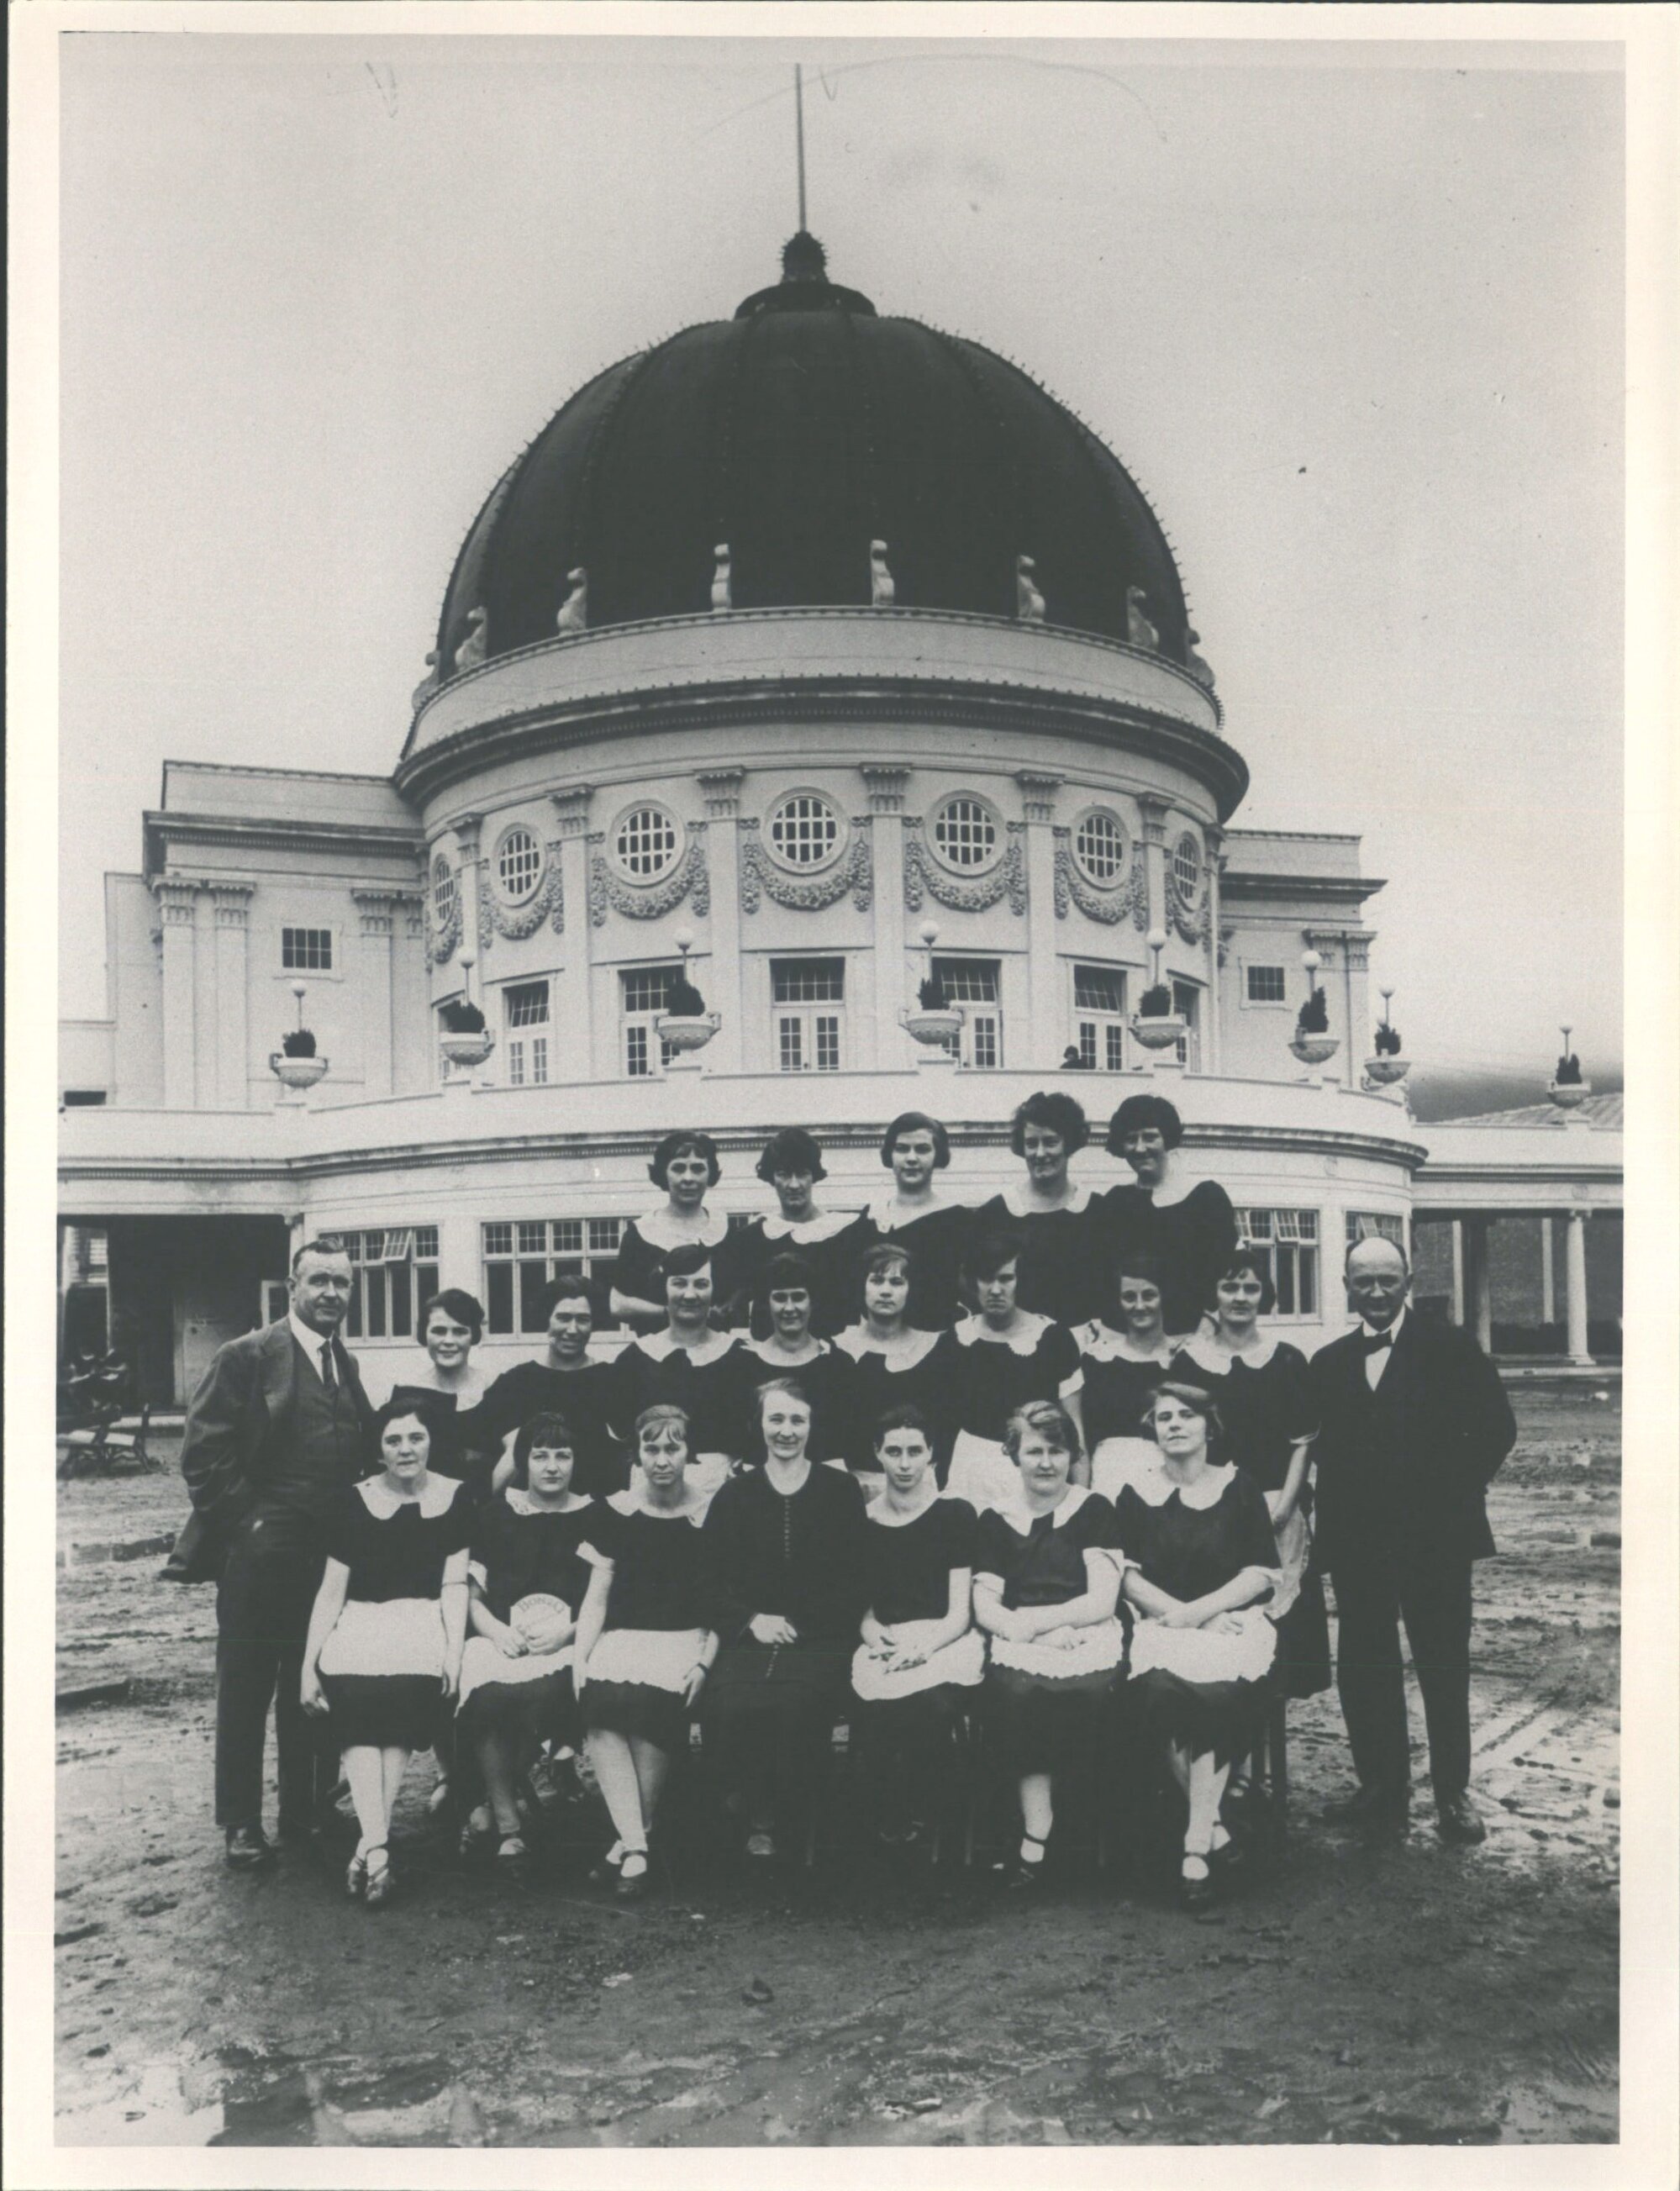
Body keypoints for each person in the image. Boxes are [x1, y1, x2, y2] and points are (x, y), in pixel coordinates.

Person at [1309, 1236, 1516, 1845]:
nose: (1375, 1292)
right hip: (1359, 1546)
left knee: (1442, 1664)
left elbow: (1496, 1429)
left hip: (1436, 1541)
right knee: (1364, 1665)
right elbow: (1320, 1451)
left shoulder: (1452, 1348)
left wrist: (1445, 1494)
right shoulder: (1328, 1363)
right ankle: (1381, 1786)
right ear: (1346, 1285)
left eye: (1387, 1280)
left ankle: (1452, 1793)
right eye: (1363, 1281)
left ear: (1408, 1280)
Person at [179, 1235, 375, 1869]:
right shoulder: (246, 1355)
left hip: (324, 1559)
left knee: (310, 1680)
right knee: (246, 1688)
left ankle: (305, 1809)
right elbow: (203, 1454)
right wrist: (251, 1526)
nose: (331, 1293)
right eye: (319, 1280)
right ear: (293, 1287)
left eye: (341, 1282)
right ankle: (240, 1823)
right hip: (259, 1557)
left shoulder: (343, 1360)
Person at [1116, 1383, 1283, 1909]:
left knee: (1215, 1699)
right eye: (1164, 1417)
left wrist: (1203, 1614)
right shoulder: (1136, 1493)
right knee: (1161, 1694)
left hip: (1232, 1625)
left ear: (1210, 1426)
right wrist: (1184, 1618)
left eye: (1186, 1415)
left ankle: (1194, 1842)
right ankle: (1212, 1829)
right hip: (1163, 1626)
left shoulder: (1239, 1487)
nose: (1174, 1425)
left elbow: (1260, 1572)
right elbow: (1128, 1579)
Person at [299, 1402, 472, 1907]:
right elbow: (331, 1591)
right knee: (356, 1697)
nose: (406, 1450)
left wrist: (453, 1653)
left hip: (422, 1622)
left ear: (431, 1442)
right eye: (393, 1440)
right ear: (378, 1450)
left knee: (400, 1698)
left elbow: (455, 1585)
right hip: (361, 1622)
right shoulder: (354, 1501)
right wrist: (308, 1666)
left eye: (416, 1438)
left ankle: (370, 1847)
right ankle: (377, 1846)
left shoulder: (456, 1497)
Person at [701, 1379, 870, 1862]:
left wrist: (803, 1623)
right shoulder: (734, 1496)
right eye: (776, 1419)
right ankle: (747, 1808)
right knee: (729, 1703)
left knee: (796, 1704)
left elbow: (857, 1578)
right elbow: (708, 1582)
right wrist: (752, 1619)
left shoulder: (840, 1490)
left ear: (812, 1426)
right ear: (758, 1425)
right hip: (749, 1638)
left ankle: (789, 1817)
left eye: (798, 1420)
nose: (787, 1431)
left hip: (821, 1638)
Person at [972, 1400, 1128, 1887]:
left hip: (1083, 1631)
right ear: (1013, 1455)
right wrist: (1023, 1629)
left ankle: (1083, 1821)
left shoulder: (1094, 1510)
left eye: (1056, 1451)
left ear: (1072, 1456)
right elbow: (985, 1603)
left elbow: (1103, 1599)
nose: (1045, 1463)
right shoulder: (996, 1519)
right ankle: (1037, 1827)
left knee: (1091, 1693)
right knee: (1017, 1693)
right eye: (1034, 1451)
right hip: (1021, 1637)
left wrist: (1049, 1624)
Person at [1170, 1249, 1331, 1700]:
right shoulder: (1189, 1362)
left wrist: (1282, 1509)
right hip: (1212, 1513)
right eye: (1230, 1287)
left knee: (1279, 1641)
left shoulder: (1287, 1360)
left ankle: (1270, 1738)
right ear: (1213, 1296)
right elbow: (1182, 1442)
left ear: (1264, 1296)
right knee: (1220, 1637)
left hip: (1278, 1509)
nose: (1240, 1297)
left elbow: (1303, 1443)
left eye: (1251, 1288)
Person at [572, 1405, 717, 1900]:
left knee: (648, 1707)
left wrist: (705, 1661)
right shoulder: (614, 1511)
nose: (662, 1459)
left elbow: (724, 1601)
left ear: (688, 1452)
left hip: (685, 1637)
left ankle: (628, 1845)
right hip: (624, 1637)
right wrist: (581, 1658)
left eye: (673, 1448)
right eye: (651, 1448)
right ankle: (637, 1844)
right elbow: (596, 1597)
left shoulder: (709, 1513)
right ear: (636, 1453)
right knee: (600, 1703)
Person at [456, 1413, 596, 1875]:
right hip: (503, 1638)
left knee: (549, 1695)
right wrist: (496, 1632)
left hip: (568, 1642)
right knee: (487, 1693)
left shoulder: (596, 1516)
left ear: (576, 1461)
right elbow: (472, 1597)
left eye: (563, 1456)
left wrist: (567, 1633)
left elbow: (606, 1599)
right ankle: (509, 1827)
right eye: (540, 1456)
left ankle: (494, 1796)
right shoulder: (497, 1515)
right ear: (523, 1462)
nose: (552, 1466)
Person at [849, 1407, 983, 1851]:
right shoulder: (864, 1522)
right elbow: (866, 1613)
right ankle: (889, 1821)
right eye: (894, 1452)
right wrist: (876, 1638)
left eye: (914, 1451)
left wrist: (924, 1649)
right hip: (889, 1638)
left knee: (930, 1705)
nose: (904, 1463)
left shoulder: (955, 1514)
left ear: (931, 1455)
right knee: (875, 1711)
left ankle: (932, 1817)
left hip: (945, 1639)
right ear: (877, 1454)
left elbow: (960, 1614)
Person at [945, 1225, 1086, 1513]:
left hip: (1033, 1470)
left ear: (1022, 1280)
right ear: (974, 1282)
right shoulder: (957, 1339)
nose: (996, 1290)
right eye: (987, 1279)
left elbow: (1076, 1431)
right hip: (968, 1472)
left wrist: (1080, 1501)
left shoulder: (1053, 1339)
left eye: (1006, 1278)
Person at [609, 1244, 758, 1497]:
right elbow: (619, 1438)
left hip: (724, 1495)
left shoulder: (741, 1357)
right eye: (679, 1283)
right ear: (664, 1288)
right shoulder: (635, 1359)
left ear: (714, 1289)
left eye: (701, 1284)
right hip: (654, 1494)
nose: (690, 1295)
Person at [1095, 1095, 1238, 1340]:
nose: (1140, 1148)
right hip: (1128, 1341)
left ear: (1167, 1139)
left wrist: (1208, 1326)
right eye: (1131, 1139)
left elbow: (1227, 1271)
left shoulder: (1205, 1198)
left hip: (1193, 1339)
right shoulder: (1116, 1202)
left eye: (1150, 1137)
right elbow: (1103, 1278)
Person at [477, 1276, 625, 1498]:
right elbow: (491, 1457)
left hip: (597, 1508)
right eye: (563, 1318)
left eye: (583, 1319)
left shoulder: (614, 1381)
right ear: (546, 1319)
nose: (573, 1330)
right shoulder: (517, 1382)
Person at [834, 1244, 961, 1490]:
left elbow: (947, 1425)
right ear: (862, 1286)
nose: (885, 1291)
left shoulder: (935, 1348)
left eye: (896, 1282)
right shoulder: (838, 1350)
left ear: (910, 1289)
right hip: (855, 1485)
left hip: (919, 1483)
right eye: (877, 1281)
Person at [972, 1092, 1105, 1327]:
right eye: (1032, 1144)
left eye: (1051, 1142)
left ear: (1069, 1144)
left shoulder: (1098, 1211)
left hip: (1086, 1343)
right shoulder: (995, 1214)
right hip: (1020, 1344)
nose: (1040, 1154)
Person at [737, 1127, 866, 1340]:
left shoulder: (844, 1234)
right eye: (784, 1174)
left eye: (802, 1173)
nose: (794, 1184)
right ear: (772, 1178)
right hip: (770, 1355)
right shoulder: (754, 1236)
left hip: (831, 1353)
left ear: (813, 1176)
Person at [610, 1130, 744, 1330]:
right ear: (663, 1173)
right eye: (678, 1168)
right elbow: (617, 1304)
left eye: (698, 1169)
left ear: (710, 1174)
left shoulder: (726, 1230)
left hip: (713, 1344)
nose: (688, 1178)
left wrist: (727, 1308)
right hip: (656, 1345)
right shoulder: (640, 1233)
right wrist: (672, 1313)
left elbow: (742, 1289)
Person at [855, 1112, 971, 1331]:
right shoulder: (871, 1218)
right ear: (890, 1155)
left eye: (922, 1149)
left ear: (938, 1155)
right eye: (902, 1149)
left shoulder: (959, 1221)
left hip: (937, 1340)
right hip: (880, 1339)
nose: (911, 1158)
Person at [743, 1252, 857, 1467]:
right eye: (780, 1298)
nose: (789, 1308)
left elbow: (845, 1440)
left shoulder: (837, 1365)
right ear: (767, 1303)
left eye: (798, 1297)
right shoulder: (745, 1364)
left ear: (812, 1302)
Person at [1078, 1254, 1177, 1500]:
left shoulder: (1182, 1360)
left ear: (1163, 1296)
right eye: (1129, 1297)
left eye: (1149, 1295)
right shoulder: (1097, 1361)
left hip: (1167, 1481)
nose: (1139, 1306)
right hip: (1109, 1479)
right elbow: (1083, 1436)